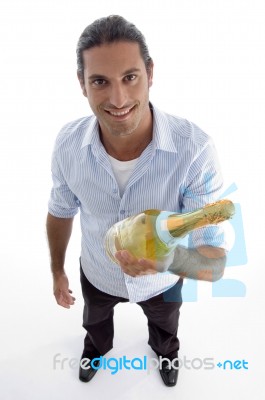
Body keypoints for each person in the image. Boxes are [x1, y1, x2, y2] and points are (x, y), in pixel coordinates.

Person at [46, 15, 228, 387]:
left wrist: (171, 259)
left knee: (165, 323)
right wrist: (57, 269)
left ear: (150, 72)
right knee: (94, 320)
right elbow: (61, 211)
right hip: (97, 271)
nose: (118, 99)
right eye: (100, 81)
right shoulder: (67, 144)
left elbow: (216, 264)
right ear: (82, 84)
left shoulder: (194, 151)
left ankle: (166, 352)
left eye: (130, 77)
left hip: (162, 282)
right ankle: (96, 347)